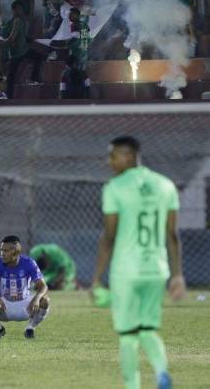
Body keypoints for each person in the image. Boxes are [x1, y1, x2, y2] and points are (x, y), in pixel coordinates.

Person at [91, 136, 186, 389]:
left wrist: (97, 278)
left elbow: (109, 236)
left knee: (127, 337)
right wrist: (177, 275)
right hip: (157, 270)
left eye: (113, 156)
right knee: (147, 329)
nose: (109, 161)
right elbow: (173, 235)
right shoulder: (166, 185)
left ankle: (133, 386)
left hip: (127, 271)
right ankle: (161, 372)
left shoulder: (115, 187)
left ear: (128, 156)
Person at [0, 235, 50, 340]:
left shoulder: (29, 263)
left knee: (45, 300)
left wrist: (36, 300)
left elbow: (43, 287)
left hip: (25, 307)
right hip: (3, 307)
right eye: (1, 250)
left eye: (5, 251)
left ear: (15, 252)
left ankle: (30, 328)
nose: (2, 254)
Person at [0, 1, 43, 99]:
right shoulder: (11, 23)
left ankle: (33, 78)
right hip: (16, 53)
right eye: (19, 9)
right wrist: (10, 41)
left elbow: (22, 35)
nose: (21, 11)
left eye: (21, 9)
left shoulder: (22, 21)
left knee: (39, 57)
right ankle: (8, 97)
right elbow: (7, 37)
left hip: (24, 50)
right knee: (11, 77)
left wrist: (30, 39)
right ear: (14, 10)